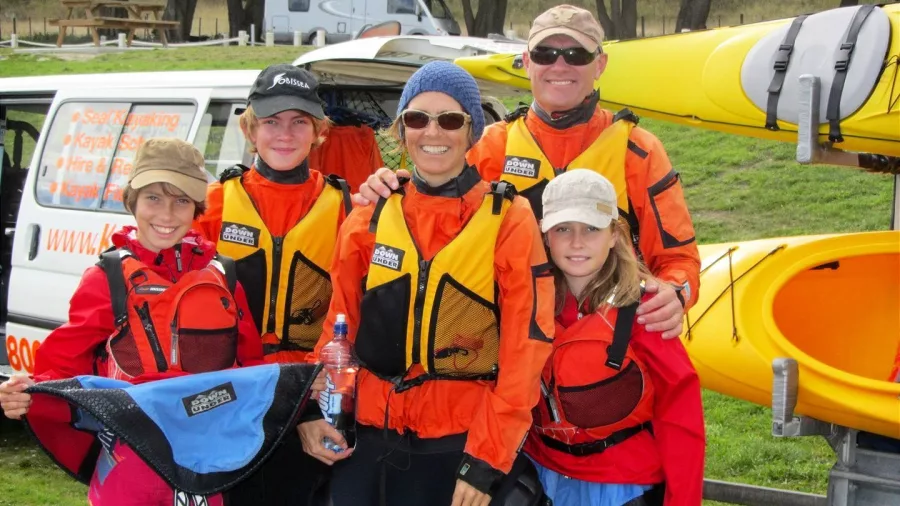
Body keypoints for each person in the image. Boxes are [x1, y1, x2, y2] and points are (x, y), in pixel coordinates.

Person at [355, 4, 700, 341]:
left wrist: (676, 293)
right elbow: (431, 212)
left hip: (604, 348)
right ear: (527, 60)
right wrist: (390, 188)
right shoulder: (494, 145)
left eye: (576, 54)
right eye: (546, 53)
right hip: (511, 339)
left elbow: (679, 260)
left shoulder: (636, 150)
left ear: (600, 64)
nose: (559, 65)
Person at [298, 61, 556, 506]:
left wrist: (485, 462)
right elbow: (337, 330)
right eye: (417, 119)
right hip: (369, 438)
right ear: (400, 131)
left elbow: (525, 351)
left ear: (471, 131)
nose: (432, 133)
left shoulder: (508, 221)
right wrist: (311, 408)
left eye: (450, 120)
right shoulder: (368, 217)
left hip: (457, 445)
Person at [0, 138, 264, 506]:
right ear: (132, 201)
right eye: (153, 198)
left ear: (197, 208)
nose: (167, 214)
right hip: (129, 459)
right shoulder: (107, 278)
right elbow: (63, 366)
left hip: (207, 463)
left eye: (182, 200)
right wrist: (27, 394)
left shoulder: (223, 275)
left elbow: (252, 366)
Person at [192, 63, 350, 506]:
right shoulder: (216, 202)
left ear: (319, 131)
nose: (285, 133)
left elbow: (350, 306)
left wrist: (312, 391)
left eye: (299, 121)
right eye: (271, 121)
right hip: (232, 396)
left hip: (310, 391)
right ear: (250, 128)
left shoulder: (346, 207)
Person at [526, 169, 705, 506]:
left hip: (622, 486)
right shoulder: (527, 302)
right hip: (541, 476)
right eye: (563, 229)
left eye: (591, 228)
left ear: (614, 235)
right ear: (545, 235)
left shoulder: (646, 309)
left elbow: (681, 419)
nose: (577, 242)